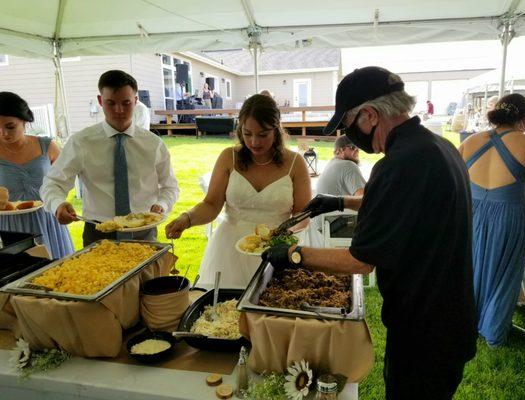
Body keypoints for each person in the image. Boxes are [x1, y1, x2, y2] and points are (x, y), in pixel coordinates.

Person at [262, 66, 477, 400]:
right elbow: (405, 207)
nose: (348, 135)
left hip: (424, 328)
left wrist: (294, 255)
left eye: (348, 125)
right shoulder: (436, 147)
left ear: (370, 116)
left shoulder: (400, 163)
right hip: (447, 315)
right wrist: (339, 201)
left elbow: (361, 261)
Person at [165, 94, 311, 287]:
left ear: (276, 130)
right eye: (247, 133)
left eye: (262, 134)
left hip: (278, 249)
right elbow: (211, 204)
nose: (254, 142)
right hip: (229, 248)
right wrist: (187, 218)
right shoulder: (228, 157)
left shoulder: (295, 163)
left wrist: (282, 236)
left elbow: (303, 214)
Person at [41, 70, 179, 246]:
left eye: (126, 103)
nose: (119, 110)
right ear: (100, 101)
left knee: (148, 275)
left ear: (136, 101)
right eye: (111, 103)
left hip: (143, 230)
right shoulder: (81, 142)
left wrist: (162, 204)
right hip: (98, 232)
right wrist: (58, 204)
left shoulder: (154, 144)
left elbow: (170, 186)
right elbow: (53, 183)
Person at [459, 93, 525, 347]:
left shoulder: (471, 141)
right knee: (505, 271)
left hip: (473, 212)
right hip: (509, 214)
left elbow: (454, 179)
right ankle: (493, 328)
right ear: (524, 120)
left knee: (474, 265)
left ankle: (469, 319)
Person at [0, 92, 74, 258]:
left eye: (10, 127)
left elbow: (66, 178)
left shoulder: (46, 146)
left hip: (48, 220)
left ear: (25, 120)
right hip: (11, 225)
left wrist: (59, 201)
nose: (3, 133)